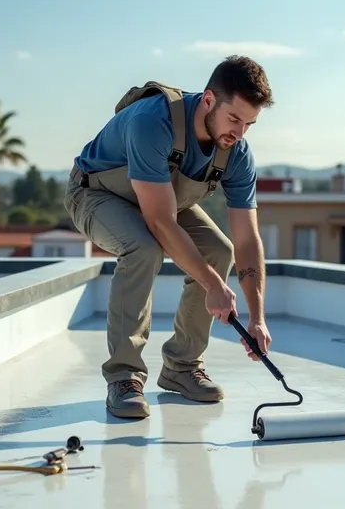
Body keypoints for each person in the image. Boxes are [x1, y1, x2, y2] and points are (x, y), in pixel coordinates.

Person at [63, 54, 274, 419]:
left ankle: (181, 367)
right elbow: (159, 223)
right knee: (142, 248)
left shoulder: (236, 152)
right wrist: (213, 286)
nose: (239, 134)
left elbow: (246, 240)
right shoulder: (152, 121)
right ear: (208, 99)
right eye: (234, 119)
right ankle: (124, 377)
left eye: (249, 124)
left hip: (161, 199)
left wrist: (256, 318)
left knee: (219, 250)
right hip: (95, 194)